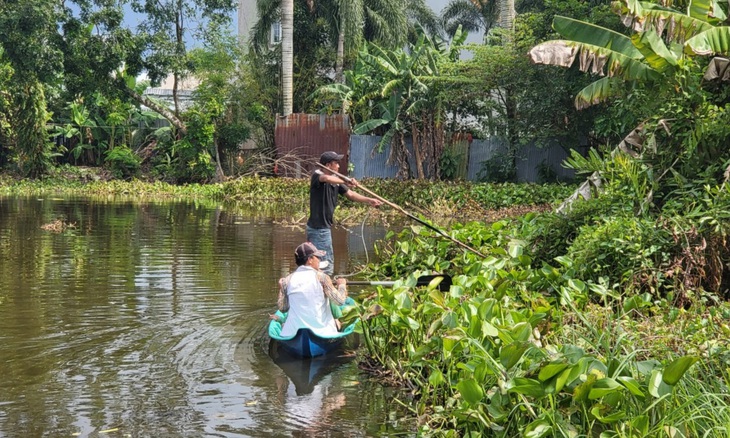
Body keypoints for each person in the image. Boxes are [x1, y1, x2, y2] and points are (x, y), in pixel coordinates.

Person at [307, 151, 382, 275]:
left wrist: (370, 200)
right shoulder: (318, 175)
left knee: (321, 264)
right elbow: (325, 178)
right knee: (325, 265)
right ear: (328, 165)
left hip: (323, 228)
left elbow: (351, 194)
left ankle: (322, 288)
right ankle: (325, 290)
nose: (338, 166)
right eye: (336, 163)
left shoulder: (336, 181)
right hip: (318, 229)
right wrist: (345, 180)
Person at [274, 242, 349, 338]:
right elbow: (340, 301)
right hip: (322, 332)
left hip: (292, 333)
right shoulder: (322, 277)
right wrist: (342, 285)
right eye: (317, 257)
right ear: (309, 259)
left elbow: (283, 308)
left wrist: (282, 289)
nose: (319, 260)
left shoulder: (287, 280)